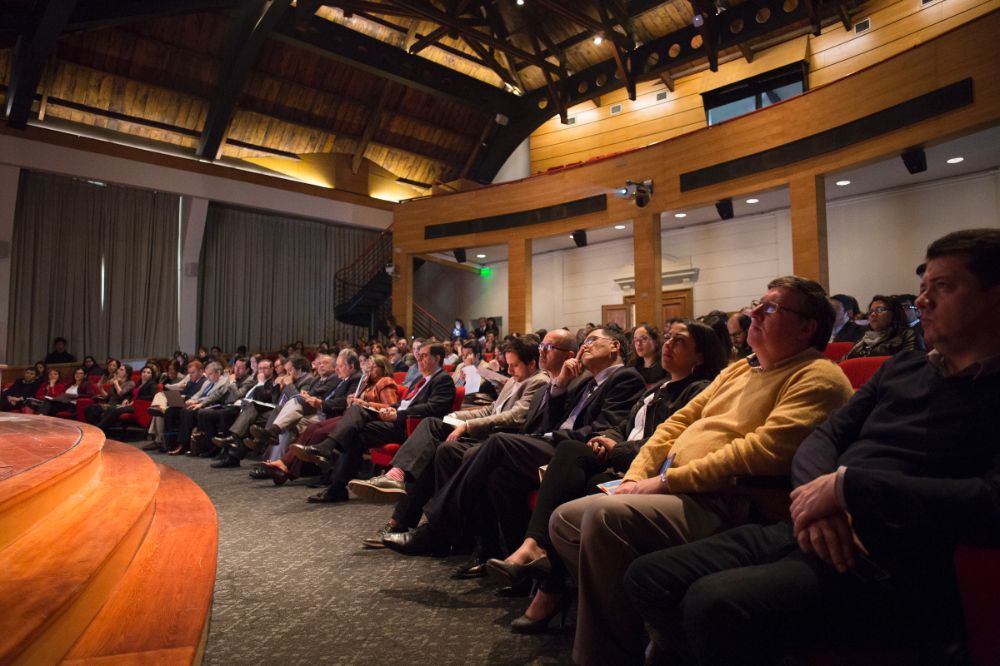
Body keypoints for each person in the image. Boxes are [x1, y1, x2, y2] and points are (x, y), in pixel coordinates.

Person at [623, 229, 1000, 665]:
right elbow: (823, 439)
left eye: (944, 287)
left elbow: (990, 501)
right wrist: (818, 501)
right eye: (922, 288)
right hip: (815, 523)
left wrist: (845, 489)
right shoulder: (904, 368)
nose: (922, 302)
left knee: (713, 603)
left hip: (893, 555)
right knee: (649, 576)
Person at [548, 276, 855, 665]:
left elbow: (757, 452)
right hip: (681, 489)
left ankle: (602, 656)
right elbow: (675, 424)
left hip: (733, 500)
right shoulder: (739, 370)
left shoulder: (818, 376)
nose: (752, 313)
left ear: (807, 327)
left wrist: (664, 482)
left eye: (771, 308)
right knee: (564, 521)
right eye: (756, 304)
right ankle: (651, 632)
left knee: (604, 519)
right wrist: (632, 479)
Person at [487, 320, 729, 632]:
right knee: (564, 464)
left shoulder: (696, 391)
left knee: (574, 461)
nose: (666, 344)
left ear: (700, 357)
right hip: (619, 458)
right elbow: (623, 426)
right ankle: (543, 571)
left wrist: (614, 447)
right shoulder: (657, 388)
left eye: (678, 342)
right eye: (667, 338)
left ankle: (546, 576)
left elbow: (668, 444)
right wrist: (607, 438)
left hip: (644, 468)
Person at [382, 326, 646, 566]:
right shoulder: (583, 381)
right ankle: (504, 557)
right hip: (550, 442)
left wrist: (549, 434)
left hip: (572, 452)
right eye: (584, 341)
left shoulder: (625, 378)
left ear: (614, 346)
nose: (584, 345)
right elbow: (553, 419)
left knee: (496, 443)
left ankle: (437, 527)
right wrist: (560, 385)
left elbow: (602, 428)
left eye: (592, 340)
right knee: (495, 473)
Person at [348, 335, 550, 547]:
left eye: (514, 366)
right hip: (486, 432)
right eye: (507, 365)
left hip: (500, 437)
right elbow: (490, 409)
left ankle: (403, 497)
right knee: (432, 440)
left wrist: (467, 425)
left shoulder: (537, 382)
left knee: (434, 435)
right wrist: (455, 417)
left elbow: (514, 417)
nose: (508, 371)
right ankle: (399, 510)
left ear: (531, 364)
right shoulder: (514, 379)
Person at [290, 343, 455, 504]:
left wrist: (397, 414)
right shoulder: (420, 379)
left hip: (414, 428)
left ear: (437, 358)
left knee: (358, 413)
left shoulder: (443, 380)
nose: (419, 359)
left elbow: (433, 408)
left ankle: (327, 449)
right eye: (418, 355)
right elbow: (405, 403)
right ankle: (336, 486)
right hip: (398, 421)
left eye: (424, 355)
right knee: (356, 427)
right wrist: (390, 409)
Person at [843, 295, 918, 359]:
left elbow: (909, 365)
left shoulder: (908, 335)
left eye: (879, 310)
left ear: (894, 314)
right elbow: (845, 361)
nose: (873, 314)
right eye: (871, 311)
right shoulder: (863, 340)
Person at [94, 365, 158, 432]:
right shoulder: (138, 384)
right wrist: (127, 399)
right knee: (112, 408)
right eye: (144, 372)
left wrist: (137, 400)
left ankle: (99, 429)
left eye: (148, 373)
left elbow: (153, 396)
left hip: (139, 406)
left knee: (116, 410)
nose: (145, 374)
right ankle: (104, 429)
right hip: (131, 404)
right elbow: (130, 394)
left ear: (151, 375)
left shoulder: (152, 384)